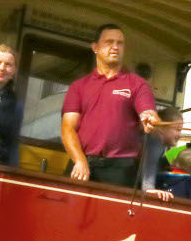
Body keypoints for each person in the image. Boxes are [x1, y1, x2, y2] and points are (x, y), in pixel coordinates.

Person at [62, 24, 160, 189]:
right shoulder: (78, 86)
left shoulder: (137, 84)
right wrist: (79, 160)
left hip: (121, 170)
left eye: (120, 43)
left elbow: (149, 112)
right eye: (109, 42)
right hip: (82, 163)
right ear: (95, 47)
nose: (115, 47)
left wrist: (150, 118)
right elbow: (67, 128)